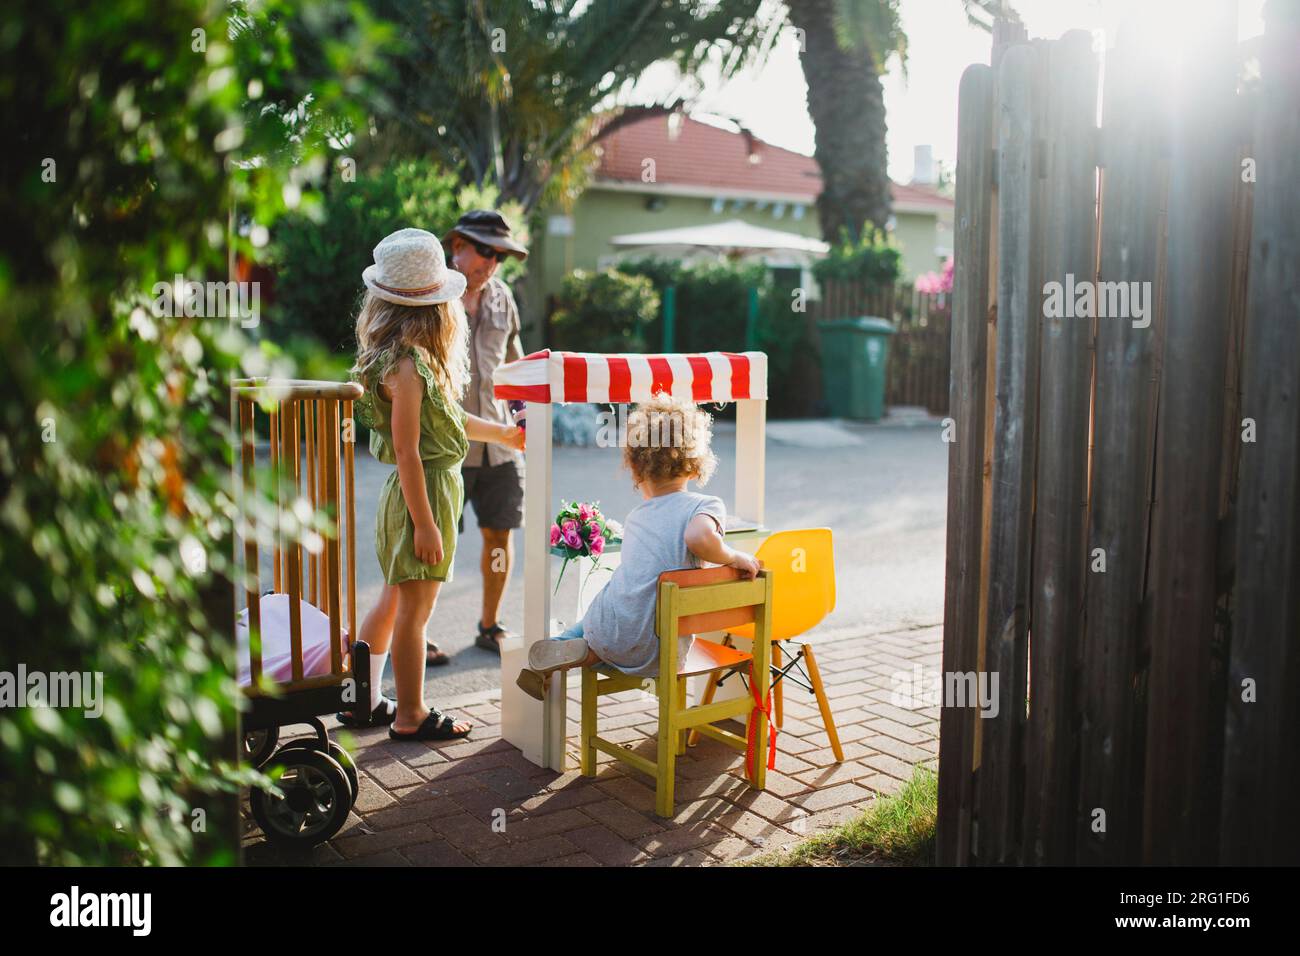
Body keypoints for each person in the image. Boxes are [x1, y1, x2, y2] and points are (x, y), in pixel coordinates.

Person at [341, 228, 525, 740]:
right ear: (435, 309)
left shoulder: (408, 360)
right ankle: (411, 713)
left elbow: (451, 424)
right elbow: (407, 454)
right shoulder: (408, 366)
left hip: (418, 495)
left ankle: (365, 700)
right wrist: (425, 524)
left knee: (394, 601)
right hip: (420, 498)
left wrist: (506, 433)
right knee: (415, 615)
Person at [515, 396, 760, 700]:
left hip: (612, 627)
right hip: (662, 649)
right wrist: (736, 556)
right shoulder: (705, 504)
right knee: (632, 607)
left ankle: (571, 646)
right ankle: (583, 648)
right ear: (696, 464)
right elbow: (699, 538)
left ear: (637, 467)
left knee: (608, 601)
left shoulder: (637, 516)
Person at [436, 209, 530, 662]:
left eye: (500, 256)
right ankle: (416, 632)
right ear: (457, 246)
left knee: (500, 535)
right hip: (443, 446)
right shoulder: (431, 296)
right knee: (433, 542)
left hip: (501, 444)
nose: (491, 263)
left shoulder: (502, 298)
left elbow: (516, 366)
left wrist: (527, 416)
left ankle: (489, 625)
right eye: (485, 251)